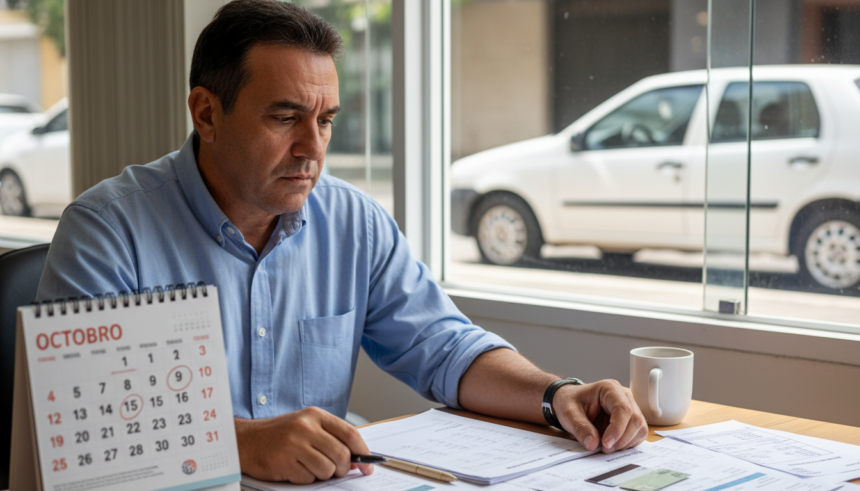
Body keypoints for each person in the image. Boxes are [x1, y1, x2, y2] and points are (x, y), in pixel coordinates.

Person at [36, 0, 647, 484]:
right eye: (285, 118)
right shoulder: (107, 232)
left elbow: (443, 347)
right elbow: (85, 433)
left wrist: (558, 394)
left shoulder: (354, 221)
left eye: (324, 120)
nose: (313, 147)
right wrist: (245, 443)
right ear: (207, 113)